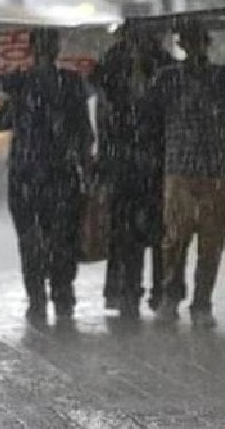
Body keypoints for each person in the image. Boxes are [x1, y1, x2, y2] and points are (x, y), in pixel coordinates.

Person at [146, 17, 225, 329]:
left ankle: (202, 302)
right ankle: (172, 296)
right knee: (175, 239)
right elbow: (144, 103)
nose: (194, 46)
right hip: (180, 170)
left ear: (205, 43)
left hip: (214, 171)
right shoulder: (168, 78)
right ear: (183, 44)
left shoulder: (222, 76)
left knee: (210, 242)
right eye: (188, 40)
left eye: (198, 40)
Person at [0, 26, 93, 325]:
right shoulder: (70, 82)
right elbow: (83, 134)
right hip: (58, 172)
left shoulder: (22, 82)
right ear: (56, 49)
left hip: (27, 173)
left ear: (32, 49)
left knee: (32, 240)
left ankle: (38, 298)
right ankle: (60, 295)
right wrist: (86, 169)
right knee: (60, 238)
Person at [89, 25, 177, 320]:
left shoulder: (162, 63)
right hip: (126, 160)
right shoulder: (114, 62)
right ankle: (129, 290)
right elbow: (103, 104)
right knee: (128, 231)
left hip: (153, 159)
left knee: (156, 230)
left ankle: (158, 290)